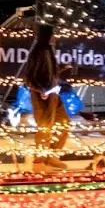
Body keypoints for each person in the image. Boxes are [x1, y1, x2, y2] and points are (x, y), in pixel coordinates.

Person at [23, 23, 70, 151]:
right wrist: (41, 91)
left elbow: (49, 72)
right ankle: (41, 160)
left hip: (53, 94)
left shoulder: (49, 51)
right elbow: (29, 78)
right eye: (53, 35)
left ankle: (53, 154)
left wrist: (63, 67)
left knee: (63, 123)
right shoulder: (38, 53)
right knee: (45, 127)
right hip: (42, 97)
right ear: (47, 36)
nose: (55, 38)